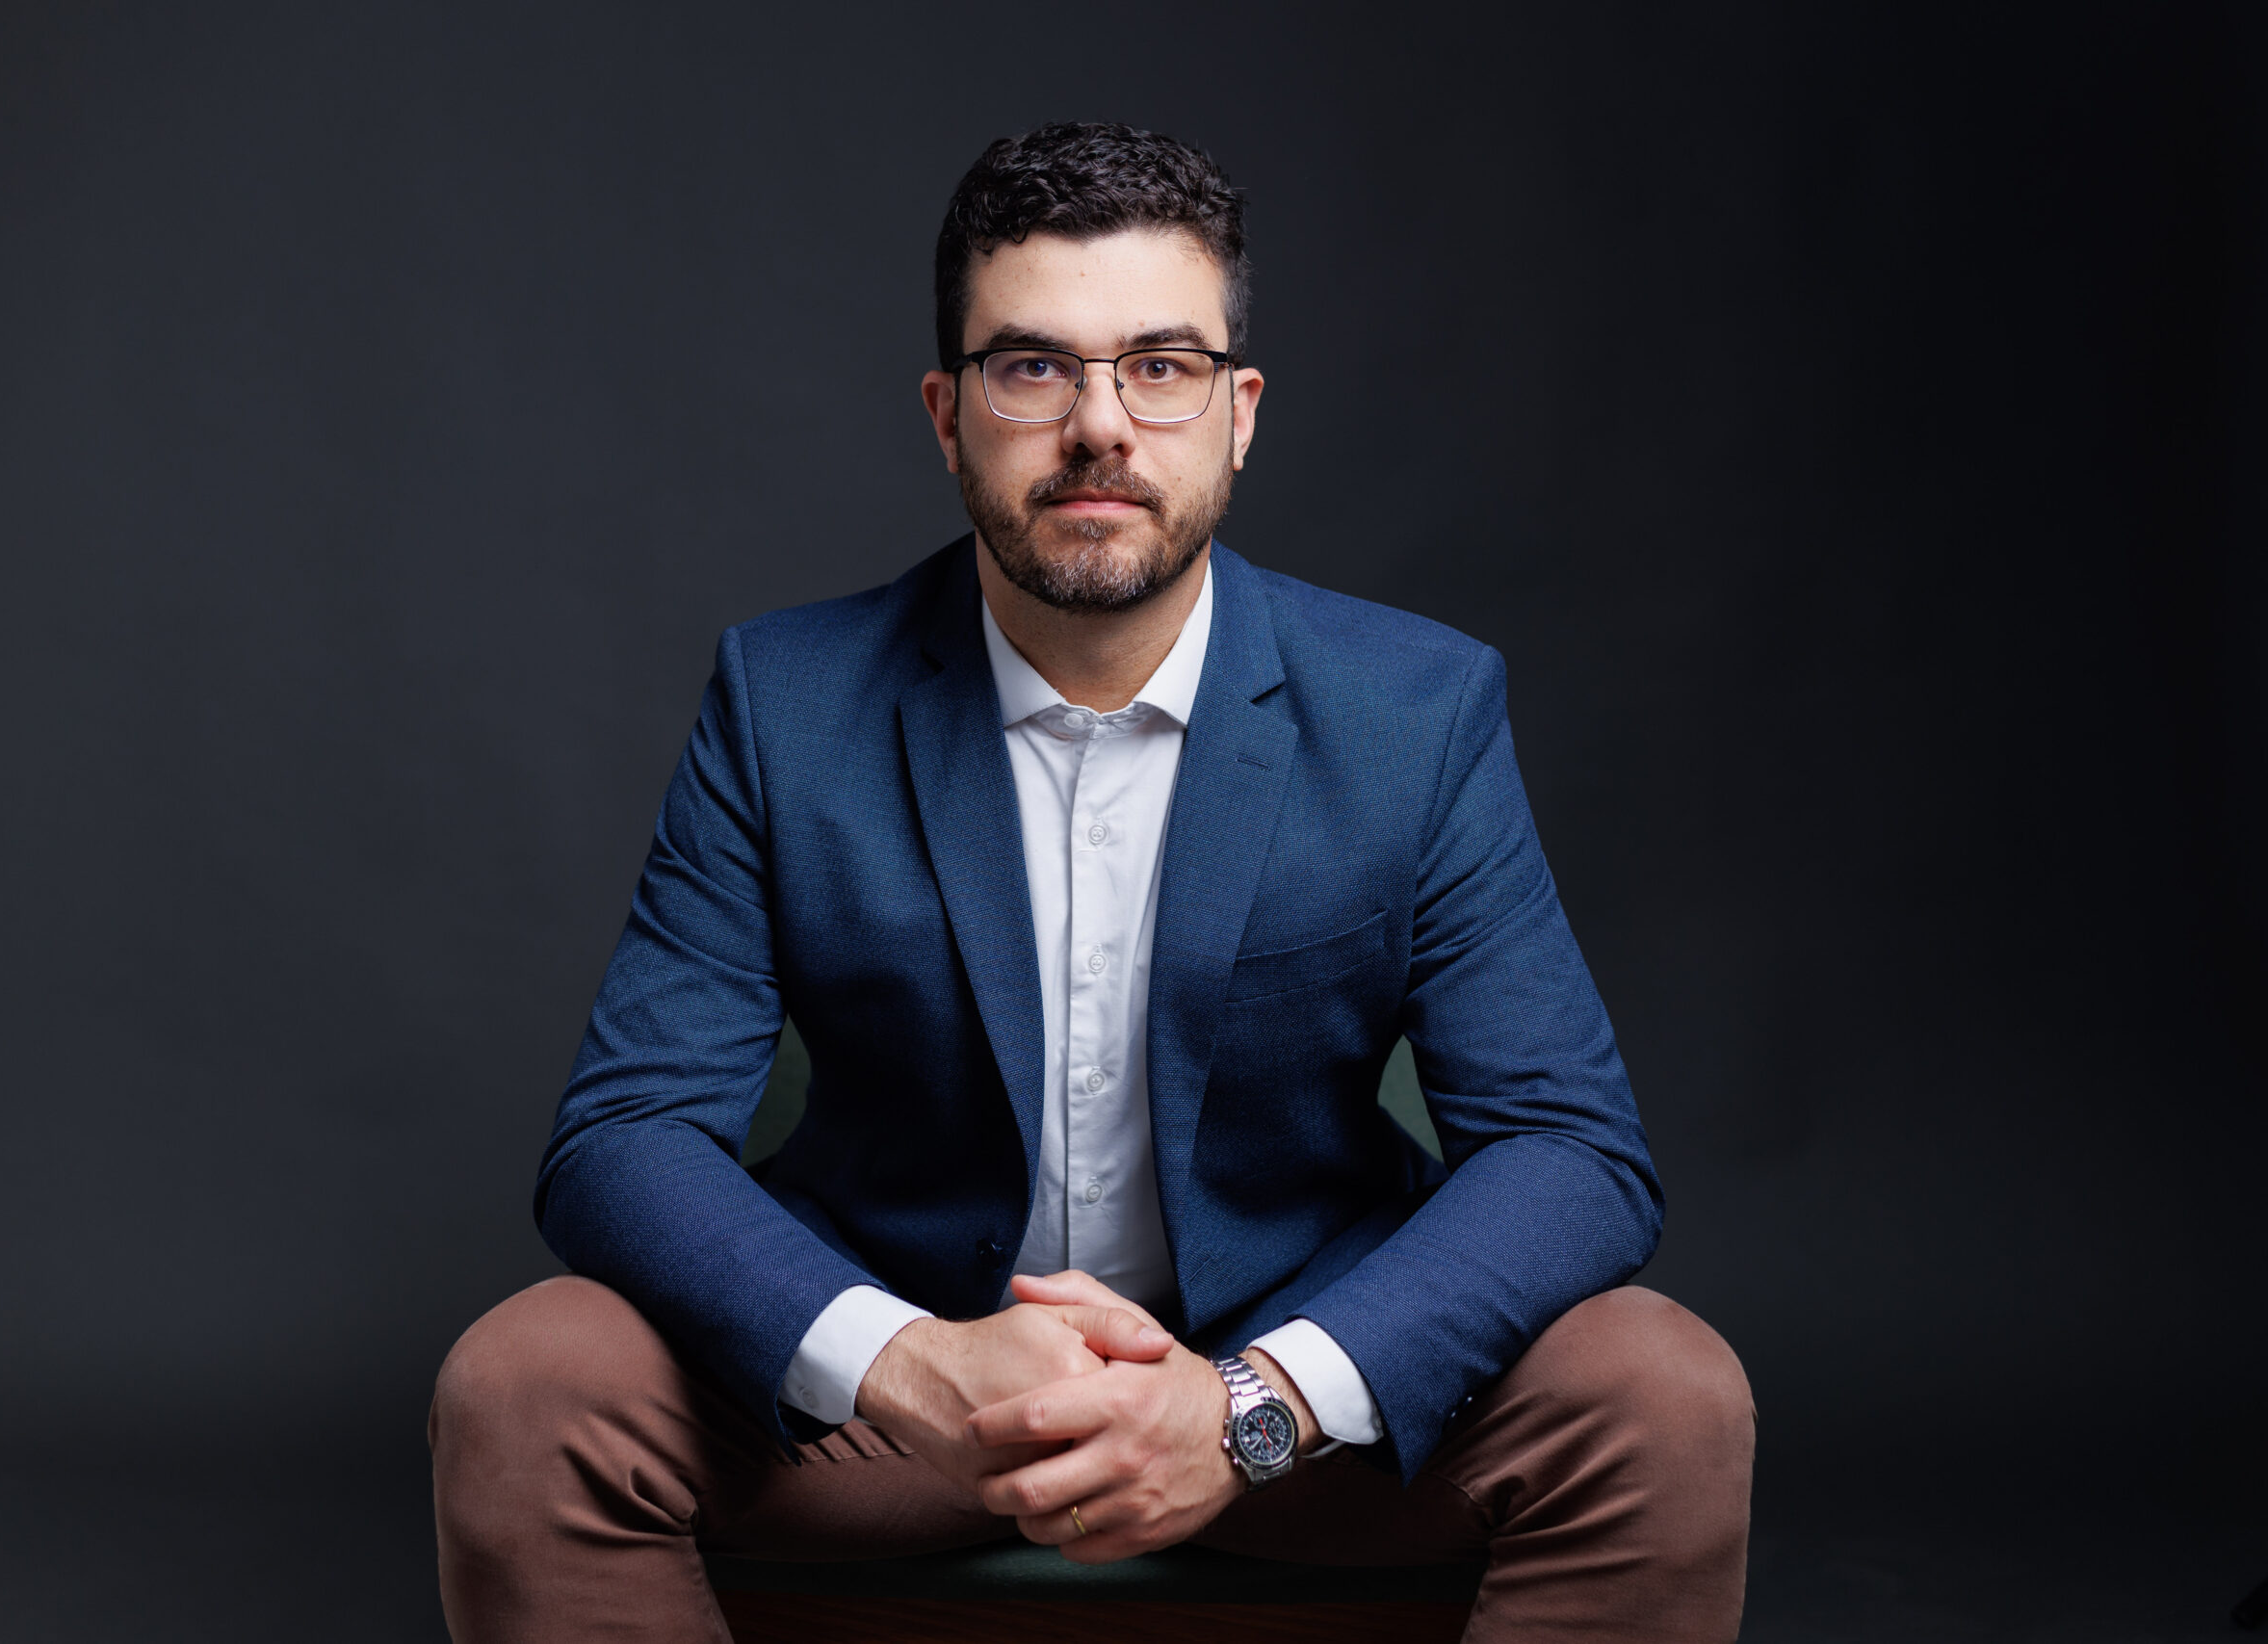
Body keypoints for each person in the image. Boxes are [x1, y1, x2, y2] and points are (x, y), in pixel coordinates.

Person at [429, 121, 1755, 1643]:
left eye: (1162, 366)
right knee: (527, 1383)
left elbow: (1571, 1151)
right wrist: (911, 1368)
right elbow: (624, 1136)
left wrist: (1253, 1408)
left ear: (1239, 414)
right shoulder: (785, 704)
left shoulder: (1417, 712)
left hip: (1288, 1399)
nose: (1100, 426)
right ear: (949, 416)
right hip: (906, 1402)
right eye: (1032, 367)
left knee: (1661, 1391)